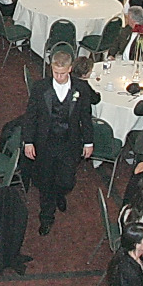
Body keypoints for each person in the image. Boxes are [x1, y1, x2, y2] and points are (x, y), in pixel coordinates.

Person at [21, 46, 99, 236]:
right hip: (45, 143)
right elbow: (30, 117)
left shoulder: (81, 88)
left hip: (69, 143)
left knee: (67, 181)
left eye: (63, 73)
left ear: (70, 69)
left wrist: (88, 142)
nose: (59, 77)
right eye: (56, 72)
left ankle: (59, 192)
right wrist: (28, 141)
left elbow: (86, 117)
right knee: (45, 181)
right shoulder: (40, 88)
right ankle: (46, 217)